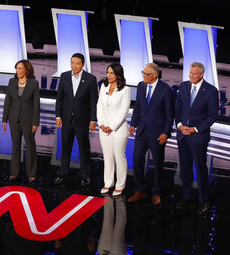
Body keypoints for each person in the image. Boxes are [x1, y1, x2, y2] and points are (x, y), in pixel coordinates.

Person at [174, 62, 218, 216]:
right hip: (183, 135)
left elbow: (212, 115)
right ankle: (186, 197)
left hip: (198, 136)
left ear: (201, 74)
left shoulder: (211, 91)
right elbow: (178, 109)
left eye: (194, 73)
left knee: (200, 169)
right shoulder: (184, 86)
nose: (190, 76)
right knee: (185, 168)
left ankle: (203, 200)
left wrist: (195, 129)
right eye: (190, 73)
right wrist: (179, 125)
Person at [128, 63, 173, 206]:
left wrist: (166, 132)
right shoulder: (141, 85)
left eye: (146, 74)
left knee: (158, 163)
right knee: (136, 159)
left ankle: (156, 192)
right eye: (143, 73)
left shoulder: (165, 90)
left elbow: (169, 114)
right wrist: (133, 124)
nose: (143, 76)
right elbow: (138, 107)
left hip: (158, 133)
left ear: (154, 75)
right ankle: (140, 189)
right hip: (142, 131)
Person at [55, 53, 98, 188]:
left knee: (84, 149)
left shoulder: (90, 79)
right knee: (65, 148)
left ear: (83, 64)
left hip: (82, 120)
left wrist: (93, 119)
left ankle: (85, 176)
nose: (74, 66)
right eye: (72, 62)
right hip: (66, 119)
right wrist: (58, 116)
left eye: (77, 63)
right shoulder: (64, 76)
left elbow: (93, 101)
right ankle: (63, 174)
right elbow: (59, 98)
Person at [2, 60, 40, 184]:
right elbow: (8, 101)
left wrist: (35, 122)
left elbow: (36, 105)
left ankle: (31, 174)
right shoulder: (12, 82)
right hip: (14, 119)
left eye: (20, 68)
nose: (17, 71)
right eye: (16, 68)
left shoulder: (34, 84)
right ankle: (14, 173)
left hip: (28, 120)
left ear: (26, 70)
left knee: (30, 147)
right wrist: (4, 119)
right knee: (15, 146)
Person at [97, 63, 131, 196]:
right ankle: (108, 183)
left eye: (111, 73)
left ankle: (120, 185)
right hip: (103, 128)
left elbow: (124, 111)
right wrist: (101, 124)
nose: (108, 75)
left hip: (118, 129)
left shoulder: (125, 90)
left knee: (119, 156)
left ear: (118, 74)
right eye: (107, 72)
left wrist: (111, 126)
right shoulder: (103, 86)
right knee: (107, 157)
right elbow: (99, 105)